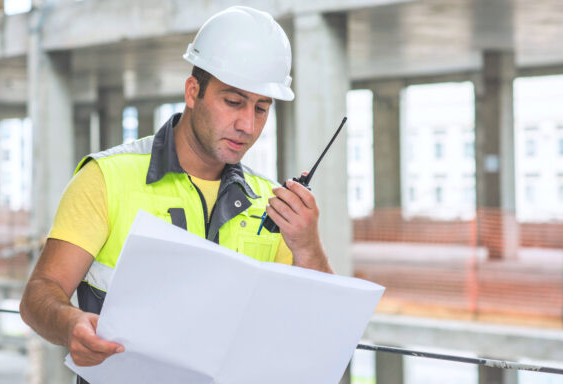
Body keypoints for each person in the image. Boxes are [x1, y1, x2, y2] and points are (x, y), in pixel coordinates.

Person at [19, 5, 334, 375]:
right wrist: (69, 322)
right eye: (232, 102)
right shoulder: (107, 178)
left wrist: (309, 246)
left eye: (261, 109)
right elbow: (39, 293)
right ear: (192, 91)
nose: (247, 125)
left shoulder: (271, 204)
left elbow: (319, 329)